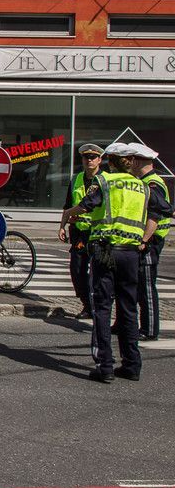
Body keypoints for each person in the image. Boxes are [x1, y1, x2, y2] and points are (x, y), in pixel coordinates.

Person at [59, 142, 158, 383]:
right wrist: (144, 238)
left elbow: (86, 205)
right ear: (130, 162)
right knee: (128, 308)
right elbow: (164, 210)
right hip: (131, 253)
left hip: (105, 250)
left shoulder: (106, 181)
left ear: (109, 162)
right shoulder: (142, 186)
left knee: (102, 308)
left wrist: (69, 214)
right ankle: (132, 365)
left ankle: (105, 366)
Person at [128, 142, 173, 341]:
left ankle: (149, 329)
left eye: (130, 160)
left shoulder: (152, 184)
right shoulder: (145, 181)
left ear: (137, 162)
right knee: (137, 285)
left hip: (150, 242)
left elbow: (154, 216)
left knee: (146, 286)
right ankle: (131, 324)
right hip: (146, 240)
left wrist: (144, 240)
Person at [58, 143, 104, 319]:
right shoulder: (76, 179)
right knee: (77, 270)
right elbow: (68, 205)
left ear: (99, 160)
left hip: (98, 232)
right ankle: (87, 304)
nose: (89, 160)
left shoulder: (105, 180)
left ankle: (98, 305)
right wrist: (62, 226)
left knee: (98, 272)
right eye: (86, 157)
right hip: (79, 233)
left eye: (93, 157)